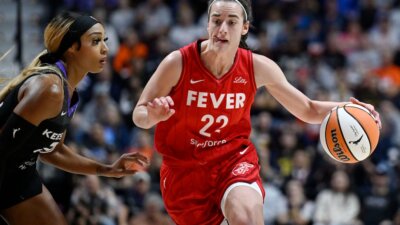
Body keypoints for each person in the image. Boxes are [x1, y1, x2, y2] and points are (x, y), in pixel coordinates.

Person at [132, 0, 382, 224]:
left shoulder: (257, 67)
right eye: (216, 21)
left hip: (233, 160)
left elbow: (307, 109)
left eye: (231, 22)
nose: (222, 29)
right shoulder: (178, 62)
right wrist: (152, 116)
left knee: (246, 217)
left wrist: (351, 109)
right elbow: (139, 114)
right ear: (207, 24)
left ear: (244, 28)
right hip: (184, 172)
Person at [0, 12, 148, 225]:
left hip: (19, 174)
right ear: (72, 47)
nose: (105, 48)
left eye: (104, 41)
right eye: (95, 41)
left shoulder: (67, 91)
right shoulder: (50, 88)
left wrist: (106, 169)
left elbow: (53, 150)